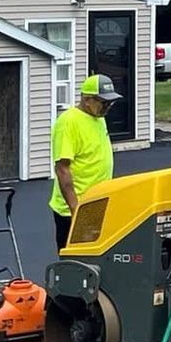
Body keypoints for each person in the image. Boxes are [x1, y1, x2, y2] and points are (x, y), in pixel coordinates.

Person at [50, 74, 121, 249]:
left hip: (98, 204)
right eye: (104, 102)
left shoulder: (98, 118)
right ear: (87, 99)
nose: (108, 106)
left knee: (98, 257)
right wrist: (76, 209)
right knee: (75, 262)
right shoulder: (68, 122)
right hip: (76, 208)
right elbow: (62, 169)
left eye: (110, 102)